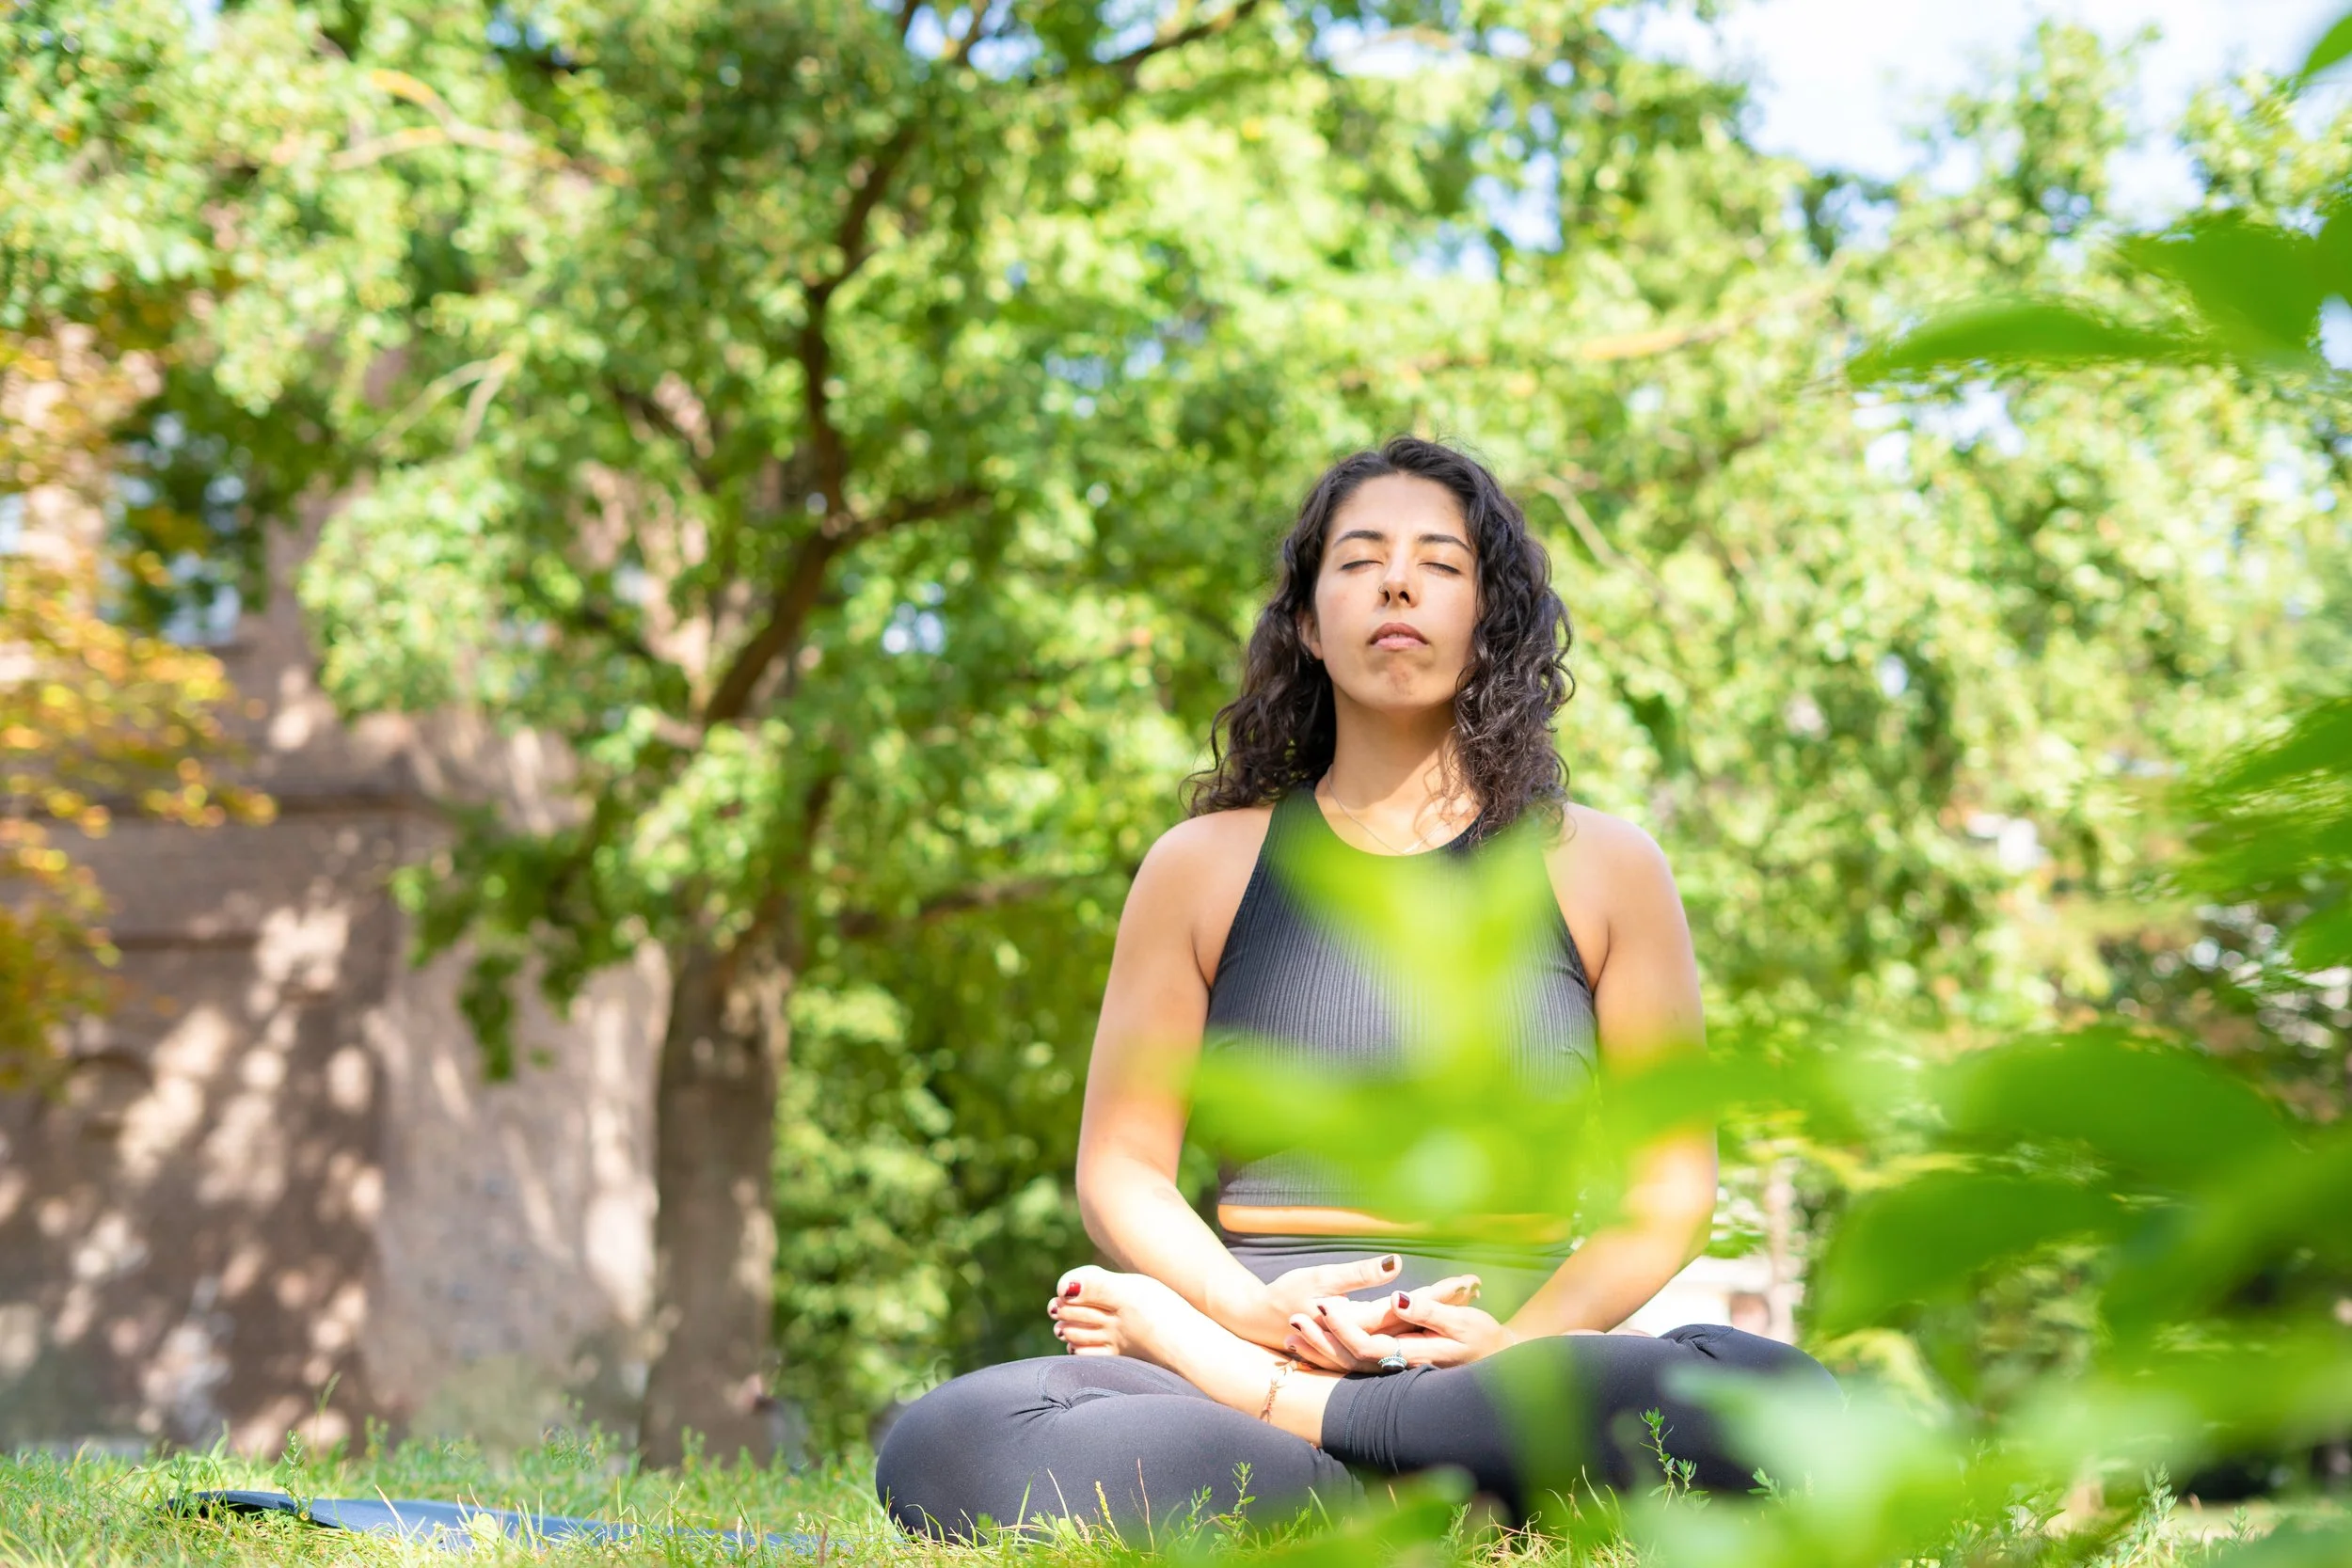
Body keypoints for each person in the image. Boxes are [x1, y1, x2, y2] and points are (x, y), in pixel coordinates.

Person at [874, 437, 1836, 1541]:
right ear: (1303, 621)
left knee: (1778, 1401)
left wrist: (1512, 1351)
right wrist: (1243, 1315)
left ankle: (1369, 1469)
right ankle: (1441, 1488)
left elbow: (1667, 1193)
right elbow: (1121, 1168)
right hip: (1254, 1355)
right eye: (1360, 559)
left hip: (1512, 1368)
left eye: (1439, 562)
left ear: (1491, 618)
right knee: (947, 1437)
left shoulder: (1606, 867)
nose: (1395, 582)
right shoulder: (1200, 866)